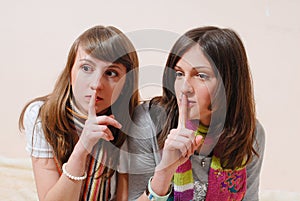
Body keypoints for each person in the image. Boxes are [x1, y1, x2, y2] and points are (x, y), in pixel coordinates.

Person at [125, 26, 265, 201]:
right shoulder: (148, 121)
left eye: (201, 76)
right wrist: (165, 170)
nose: (184, 88)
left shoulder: (249, 133)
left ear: (229, 83)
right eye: (179, 73)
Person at [19, 25, 139, 201]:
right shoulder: (40, 116)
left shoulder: (132, 120)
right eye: (86, 68)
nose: (96, 84)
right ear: (70, 72)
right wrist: (83, 146)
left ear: (126, 85)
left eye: (111, 73)